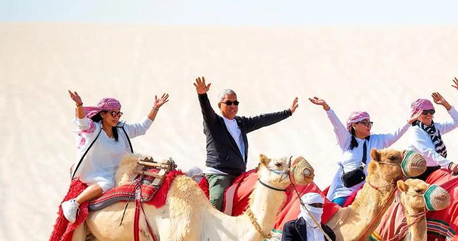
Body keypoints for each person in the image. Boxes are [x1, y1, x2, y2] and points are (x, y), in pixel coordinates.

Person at [60, 90, 169, 223]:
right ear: (102, 114)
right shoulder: (93, 129)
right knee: (107, 184)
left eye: (119, 113)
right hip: (97, 172)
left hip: (119, 170)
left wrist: (155, 108)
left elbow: (141, 128)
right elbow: (82, 123)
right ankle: (74, 203)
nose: (116, 117)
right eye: (113, 113)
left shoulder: (121, 128)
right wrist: (79, 105)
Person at [194, 76, 299, 211]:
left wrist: (288, 112)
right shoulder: (213, 123)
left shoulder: (240, 123)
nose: (233, 106)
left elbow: (263, 120)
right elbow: (206, 110)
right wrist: (202, 95)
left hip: (240, 174)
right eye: (229, 103)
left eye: (235, 103)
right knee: (217, 201)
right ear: (220, 105)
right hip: (219, 174)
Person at [308, 96, 409, 206]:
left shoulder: (375, 140)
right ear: (354, 125)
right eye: (364, 123)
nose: (368, 126)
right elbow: (336, 124)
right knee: (336, 212)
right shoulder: (346, 140)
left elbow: (395, 135)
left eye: (369, 123)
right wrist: (326, 107)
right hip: (344, 191)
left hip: (366, 189)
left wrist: (409, 122)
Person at [404, 90, 458, 180]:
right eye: (424, 112)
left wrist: (444, 103)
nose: (429, 114)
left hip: (435, 170)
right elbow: (429, 152)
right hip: (417, 175)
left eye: (431, 111)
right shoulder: (416, 131)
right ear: (416, 115)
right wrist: (449, 164)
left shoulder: (435, 128)